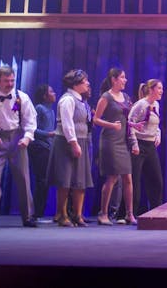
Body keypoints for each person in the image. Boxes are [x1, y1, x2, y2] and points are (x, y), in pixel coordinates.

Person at [0, 65, 38, 227]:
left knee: (24, 179)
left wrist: (27, 137)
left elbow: (30, 121)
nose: (10, 84)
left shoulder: (22, 97)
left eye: (12, 80)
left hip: (18, 139)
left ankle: (28, 217)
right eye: (6, 81)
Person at [48, 69, 93, 227]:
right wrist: (74, 143)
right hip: (66, 142)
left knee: (80, 180)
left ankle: (78, 215)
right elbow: (67, 124)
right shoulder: (67, 100)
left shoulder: (81, 100)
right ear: (75, 84)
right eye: (85, 81)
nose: (88, 83)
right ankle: (62, 214)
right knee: (65, 180)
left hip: (82, 140)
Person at [94, 67, 136, 226]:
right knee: (112, 177)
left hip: (123, 141)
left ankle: (129, 214)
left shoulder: (125, 97)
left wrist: (134, 124)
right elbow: (96, 119)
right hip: (110, 141)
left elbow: (129, 117)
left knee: (128, 177)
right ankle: (103, 214)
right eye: (123, 77)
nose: (125, 80)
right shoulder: (106, 97)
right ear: (114, 79)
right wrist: (111, 125)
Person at [128, 78, 165, 215]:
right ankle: (129, 213)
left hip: (150, 146)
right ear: (151, 90)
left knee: (156, 180)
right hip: (138, 145)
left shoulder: (156, 104)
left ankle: (156, 212)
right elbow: (130, 124)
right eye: (159, 88)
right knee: (135, 181)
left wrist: (158, 134)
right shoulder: (140, 105)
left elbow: (156, 124)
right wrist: (134, 144)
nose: (161, 91)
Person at [30, 83, 56, 222]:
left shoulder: (51, 110)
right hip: (39, 148)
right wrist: (49, 134)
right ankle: (37, 214)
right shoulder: (39, 108)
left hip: (48, 148)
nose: (54, 93)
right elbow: (32, 129)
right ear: (45, 96)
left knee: (45, 181)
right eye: (51, 91)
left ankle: (41, 213)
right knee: (41, 181)